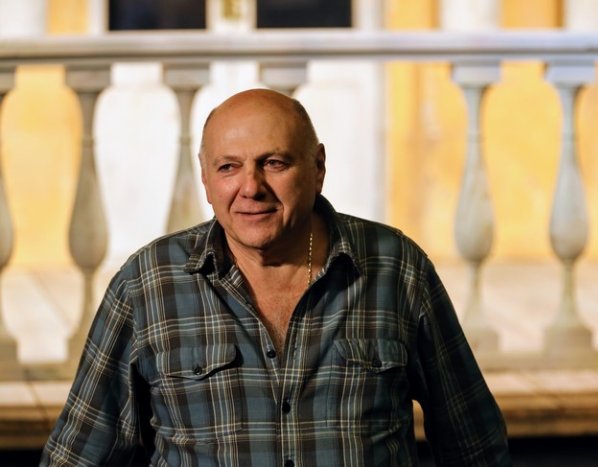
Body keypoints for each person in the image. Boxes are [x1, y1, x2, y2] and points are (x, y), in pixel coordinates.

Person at [41, 89, 511, 466]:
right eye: (229, 167)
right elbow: (78, 455)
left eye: (275, 163)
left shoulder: (397, 269)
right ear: (205, 177)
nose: (251, 187)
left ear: (318, 167)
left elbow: (475, 446)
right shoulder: (148, 285)